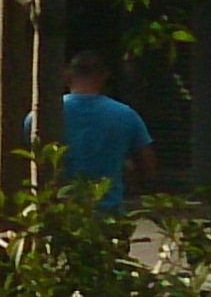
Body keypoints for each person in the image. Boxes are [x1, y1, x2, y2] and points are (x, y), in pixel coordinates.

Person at [53, 50, 159, 211]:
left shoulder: (44, 115)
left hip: (57, 214)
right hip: (108, 215)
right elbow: (148, 166)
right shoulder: (126, 115)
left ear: (67, 75)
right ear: (104, 76)